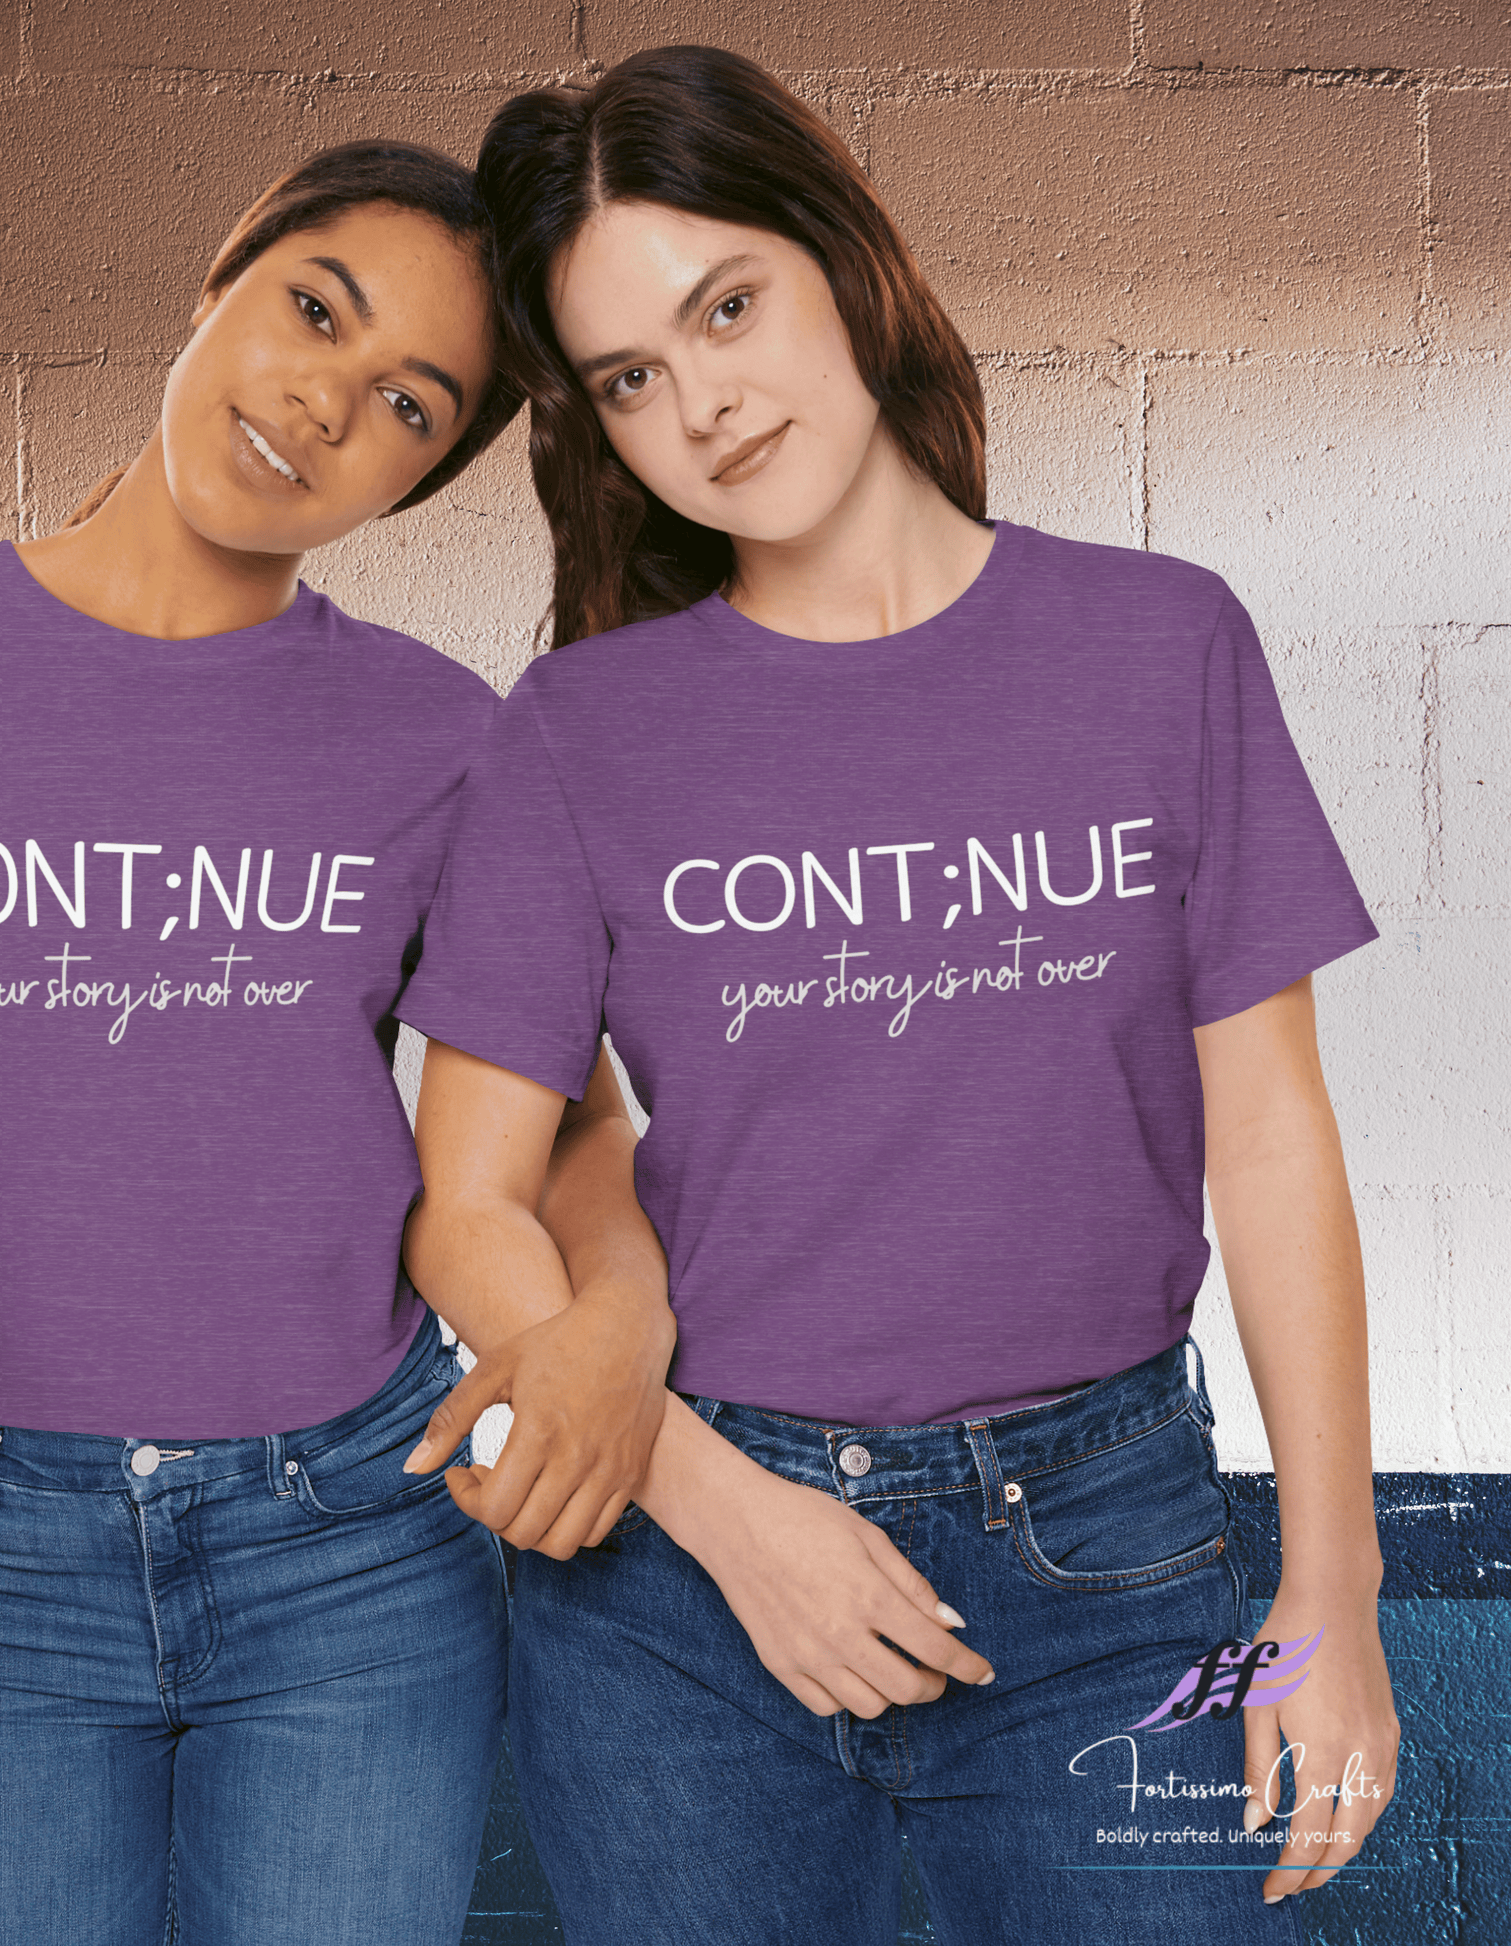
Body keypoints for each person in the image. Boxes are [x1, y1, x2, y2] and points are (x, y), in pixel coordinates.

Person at [396, 46, 1401, 1944]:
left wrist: (1330, 1596)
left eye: (724, 306)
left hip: (1106, 1551)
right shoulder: (579, 732)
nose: (697, 400)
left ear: (843, 257)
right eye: (628, 375)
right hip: (682, 1587)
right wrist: (719, 1510)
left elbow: (1268, 1138)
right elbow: (467, 1201)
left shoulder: (1158, 642)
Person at [0, 140, 658, 1946]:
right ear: (222, 274)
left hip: (356, 1544)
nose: (321, 403)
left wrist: (614, 1322)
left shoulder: (443, 740)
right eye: (313, 311)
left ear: (421, 479)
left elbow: (561, 1128)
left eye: (404, 403)